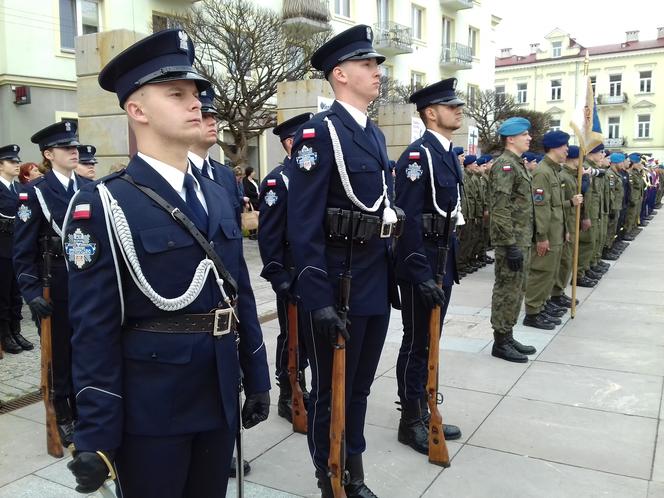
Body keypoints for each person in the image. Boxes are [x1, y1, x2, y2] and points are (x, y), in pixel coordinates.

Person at [63, 29, 270, 497]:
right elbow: (92, 329)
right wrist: (94, 437)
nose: (196, 103)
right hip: (152, 406)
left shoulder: (217, 195)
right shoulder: (104, 205)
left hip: (217, 392)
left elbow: (237, 296)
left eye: (195, 93)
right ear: (137, 110)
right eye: (176, 94)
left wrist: (256, 375)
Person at [287, 24, 400, 497]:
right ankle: (330, 473)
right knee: (330, 394)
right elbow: (303, 223)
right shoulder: (319, 133)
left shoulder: (371, 133)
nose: (377, 72)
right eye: (368, 64)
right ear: (340, 74)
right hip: (338, 285)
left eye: (377, 65)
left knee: (359, 389)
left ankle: (353, 467)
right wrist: (317, 298)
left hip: (372, 280)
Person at [188, 82, 257, 478]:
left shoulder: (222, 176)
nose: (211, 122)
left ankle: (224, 446)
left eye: (215, 116)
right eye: (206, 115)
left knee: (229, 384)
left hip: (227, 308)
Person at [393, 78, 464, 456]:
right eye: (450, 106)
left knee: (430, 340)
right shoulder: (418, 156)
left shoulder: (448, 154)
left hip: (441, 259)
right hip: (423, 264)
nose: (458, 110)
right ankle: (411, 419)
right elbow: (406, 220)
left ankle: (425, 407)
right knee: (418, 341)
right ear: (431, 113)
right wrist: (419, 275)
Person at [13, 121, 91, 445]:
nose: (74, 151)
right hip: (55, 283)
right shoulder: (36, 193)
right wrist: (31, 293)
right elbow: (22, 249)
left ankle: (85, 406)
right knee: (59, 354)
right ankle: (61, 411)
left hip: (87, 284)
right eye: (66, 148)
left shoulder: (86, 189)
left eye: (75, 146)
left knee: (86, 349)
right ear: (49, 154)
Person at [258, 112, 313, 423]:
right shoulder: (279, 181)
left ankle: (301, 386)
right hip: (291, 273)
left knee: (308, 334)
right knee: (291, 334)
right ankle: (288, 392)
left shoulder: (311, 175)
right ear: (292, 143)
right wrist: (279, 275)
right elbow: (269, 234)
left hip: (313, 271)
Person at [488, 117, 537, 363]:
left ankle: (508, 334)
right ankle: (500, 341)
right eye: (524, 134)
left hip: (521, 239)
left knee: (517, 289)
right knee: (507, 289)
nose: (529, 138)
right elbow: (500, 208)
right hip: (512, 242)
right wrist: (509, 244)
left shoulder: (517, 165)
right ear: (511, 138)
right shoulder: (505, 165)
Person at [523, 130, 572, 329]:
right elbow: (540, 207)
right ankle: (533, 313)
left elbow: (558, 206)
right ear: (554, 147)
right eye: (564, 146)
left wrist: (565, 229)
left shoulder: (554, 170)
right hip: (547, 234)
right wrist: (541, 236)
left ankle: (542, 306)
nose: (567, 150)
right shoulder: (542, 172)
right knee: (541, 271)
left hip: (556, 231)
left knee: (550, 272)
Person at [0, 145, 33, 356]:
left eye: (17, 161)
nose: (17, 164)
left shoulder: (19, 189)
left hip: (17, 248)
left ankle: (16, 330)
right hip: (1, 250)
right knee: (3, 294)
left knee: (15, 294)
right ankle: (5, 334)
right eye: (12, 161)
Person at [550, 145, 584, 307]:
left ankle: (559, 291)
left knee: (568, 260)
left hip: (571, 222)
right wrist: (571, 202)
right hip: (564, 224)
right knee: (563, 261)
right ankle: (555, 293)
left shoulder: (572, 176)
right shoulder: (563, 176)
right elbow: (555, 204)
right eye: (580, 158)